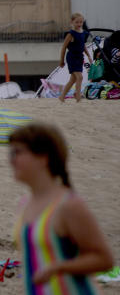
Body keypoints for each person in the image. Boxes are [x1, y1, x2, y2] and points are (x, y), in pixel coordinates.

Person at [10, 122, 113, 292]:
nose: (11, 160)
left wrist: (58, 268)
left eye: (18, 152)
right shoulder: (25, 204)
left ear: (43, 158)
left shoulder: (68, 205)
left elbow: (105, 259)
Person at [58, 13, 91, 103]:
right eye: (77, 22)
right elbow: (64, 47)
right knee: (79, 77)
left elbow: (83, 45)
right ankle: (78, 95)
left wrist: (88, 55)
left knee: (73, 79)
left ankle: (62, 96)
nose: (79, 24)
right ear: (72, 22)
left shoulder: (83, 33)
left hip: (80, 57)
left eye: (81, 22)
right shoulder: (71, 34)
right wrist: (61, 60)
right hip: (72, 57)